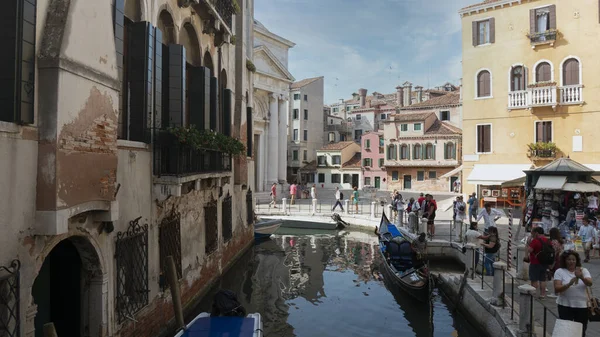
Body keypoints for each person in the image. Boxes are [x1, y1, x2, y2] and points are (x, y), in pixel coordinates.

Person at [553, 250, 593, 336]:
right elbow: (557, 289)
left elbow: (590, 283)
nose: (571, 262)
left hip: (582, 306)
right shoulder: (560, 271)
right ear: (565, 261)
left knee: (580, 331)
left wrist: (581, 277)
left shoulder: (584, 270)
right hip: (565, 305)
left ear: (576, 260)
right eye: (569, 259)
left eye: (573, 260)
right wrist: (569, 284)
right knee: (566, 331)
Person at [528, 227, 550, 298]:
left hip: (535, 262)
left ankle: (533, 293)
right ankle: (542, 295)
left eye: (532, 233)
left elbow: (530, 250)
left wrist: (529, 242)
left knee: (534, 279)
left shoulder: (535, 241)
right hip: (544, 263)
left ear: (536, 233)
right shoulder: (547, 240)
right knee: (542, 279)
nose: (532, 234)